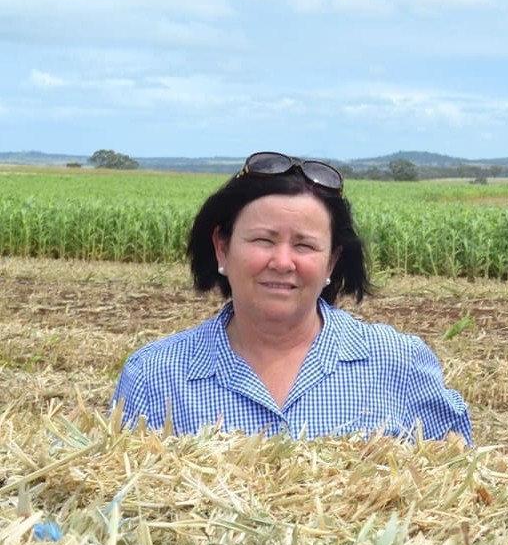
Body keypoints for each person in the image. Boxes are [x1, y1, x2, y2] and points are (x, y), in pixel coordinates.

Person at [113, 152, 472, 444]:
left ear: (331, 260)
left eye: (305, 245)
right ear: (222, 249)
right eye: (263, 240)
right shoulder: (155, 376)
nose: (282, 262)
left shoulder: (400, 363)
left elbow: (460, 493)